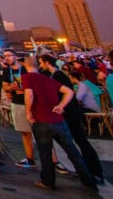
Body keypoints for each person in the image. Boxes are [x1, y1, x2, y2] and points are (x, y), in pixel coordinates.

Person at [20, 54, 97, 192]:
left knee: (45, 153)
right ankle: (88, 180)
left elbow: (29, 94)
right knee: (72, 151)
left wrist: (28, 112)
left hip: (41, 120)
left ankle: (48, 181)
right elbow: (68, 91)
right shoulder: (48, 78)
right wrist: (61, 106)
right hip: (59, 121)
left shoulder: (27, 77)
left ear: (26, 66)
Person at [38, 54, 105, 187]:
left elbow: (66, 93)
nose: (40, 66)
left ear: (47, 63)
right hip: (68, 113)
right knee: (75, 143)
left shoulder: (58, 76)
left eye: (41, 63)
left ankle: (95, 172)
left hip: (70, 114)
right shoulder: (57, 75)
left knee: (81, 142)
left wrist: (60, 106)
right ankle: (88, 171)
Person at [0, 50, 35, 168]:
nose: (7, 58)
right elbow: (5, 87)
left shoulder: (26, 69)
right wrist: (11, 87)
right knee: (25, 133)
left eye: (9, 56)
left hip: (31, 103)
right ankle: (30, 158)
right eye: (5, 57)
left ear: (15, 56)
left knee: (40, 134)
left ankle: (53, 161)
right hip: (17, 103)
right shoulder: (6, 71)